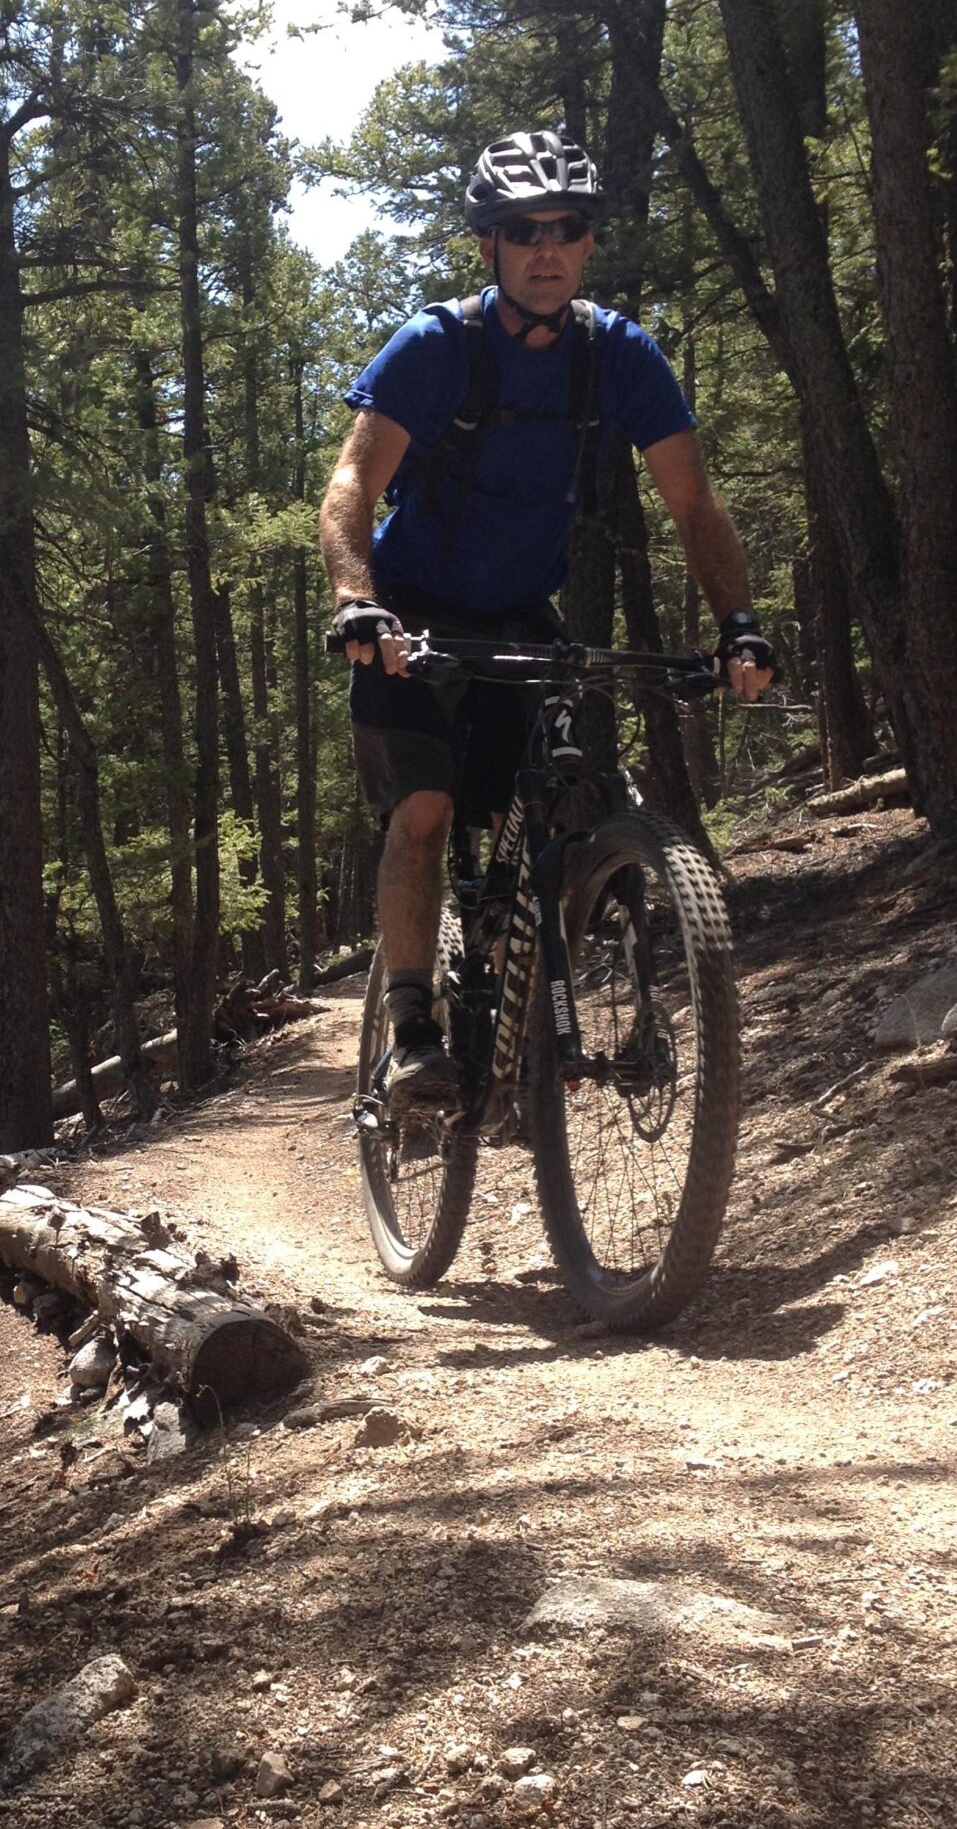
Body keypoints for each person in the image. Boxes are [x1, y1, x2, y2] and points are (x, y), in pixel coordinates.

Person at [318, 125, 775, 1107]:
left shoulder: (618, 356)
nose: (546, 248)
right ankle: (408, 1028)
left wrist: (738, 619)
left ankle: (535, 1025)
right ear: (489, 242)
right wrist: (360, 602)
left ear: (586, 242)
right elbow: (351, 484)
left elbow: (692, 502)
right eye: (524, 230)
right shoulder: (436, 349)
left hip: (522, 612)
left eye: (566, 228)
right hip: (411, 616)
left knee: (572, 807)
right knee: (427, 811)